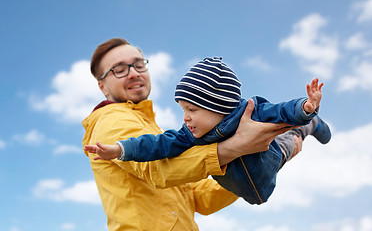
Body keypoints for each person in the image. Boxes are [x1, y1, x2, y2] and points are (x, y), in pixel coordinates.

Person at [82, 38, 303, 231]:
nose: (133, 73)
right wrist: (237, 146)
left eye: (139, 65)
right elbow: (157, 169)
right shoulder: (111, 120)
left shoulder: (150, 127)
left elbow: (200, 197)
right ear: (102, 87)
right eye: (119, 69)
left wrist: (257, 162)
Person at [84, 57, 331, 205]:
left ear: (218, 106)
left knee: (288, 137)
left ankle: (310, 125)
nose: (185, 118)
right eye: (182, 109)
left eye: (192, 109)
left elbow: (281, 110)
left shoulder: (252, 111)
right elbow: (155, 145)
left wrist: (306, 107)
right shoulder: (188, 135)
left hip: (271, 159)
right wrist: (119, 149)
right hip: (250, 189)